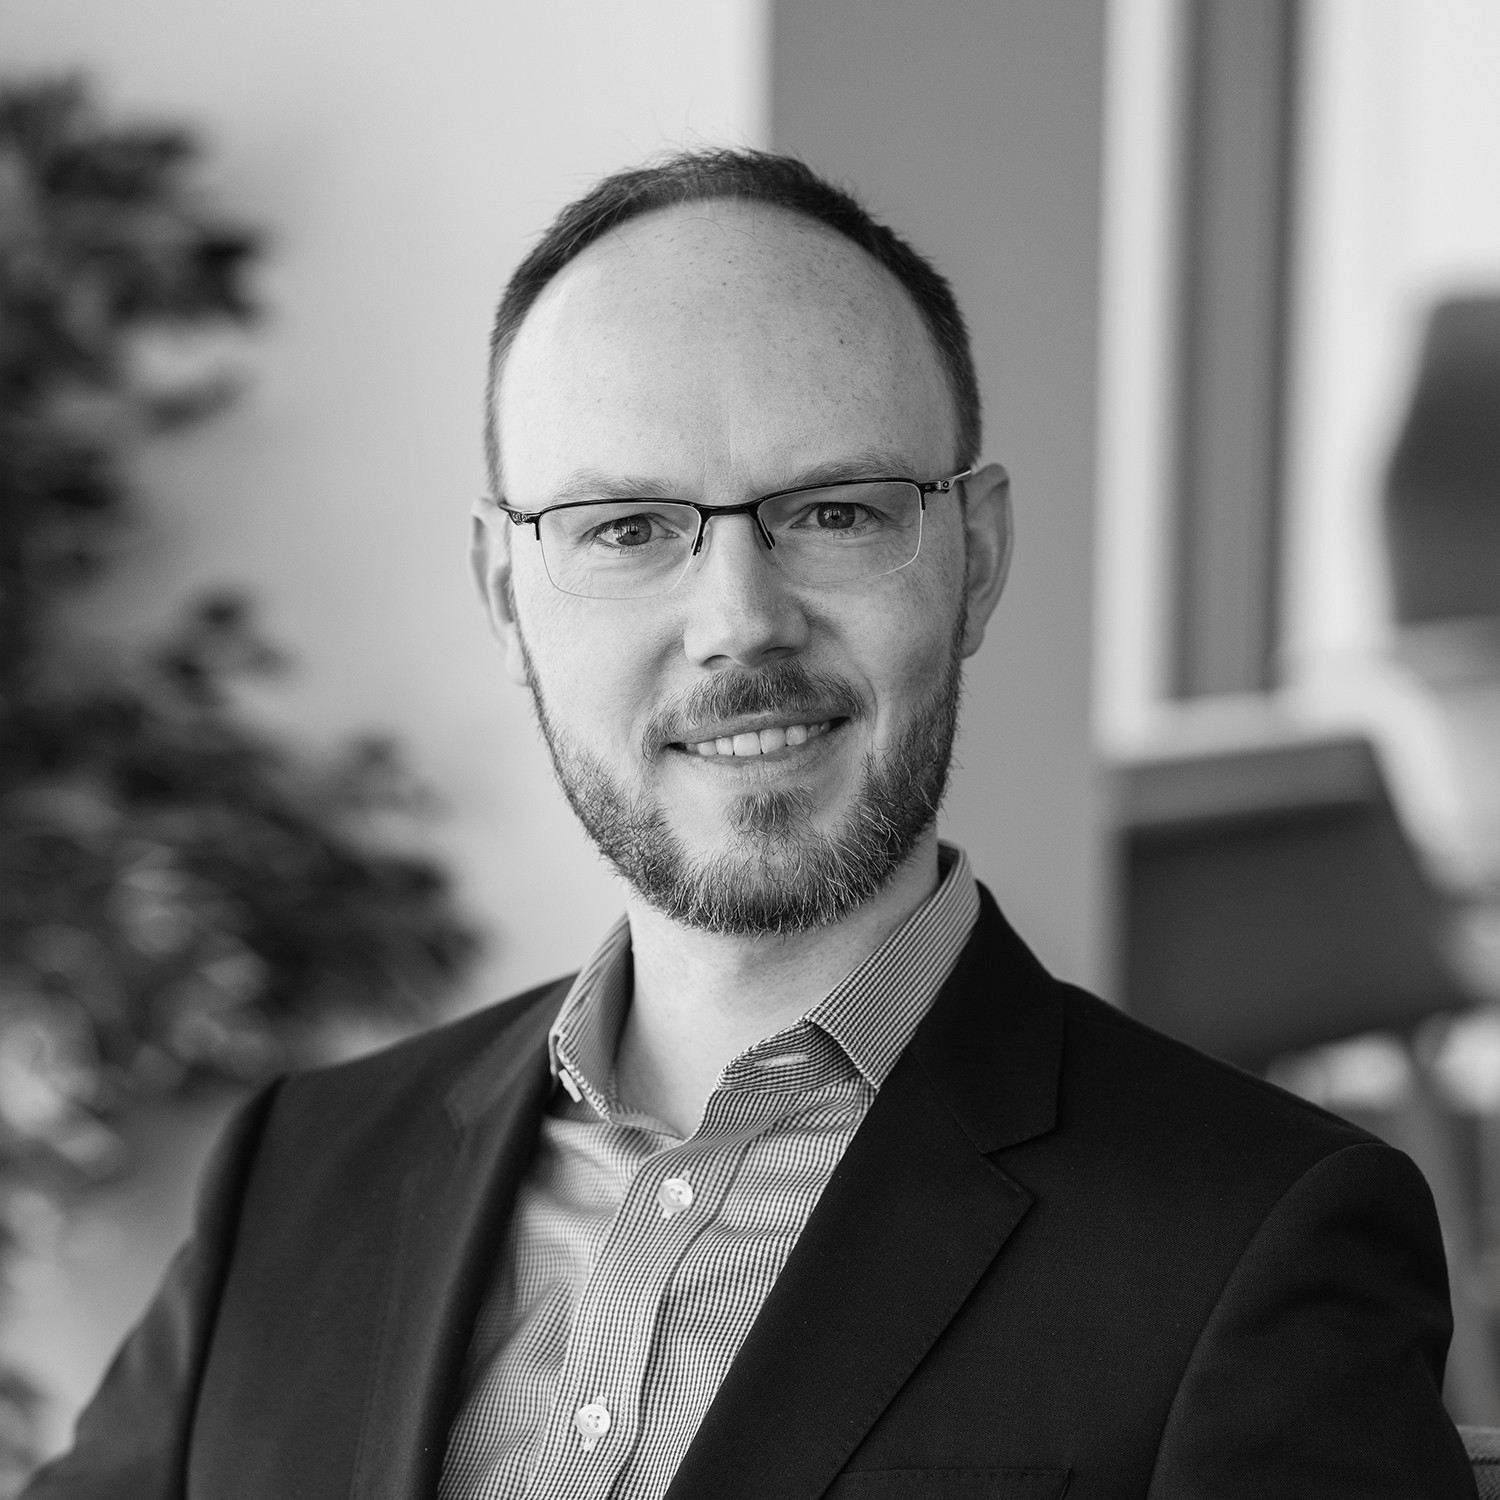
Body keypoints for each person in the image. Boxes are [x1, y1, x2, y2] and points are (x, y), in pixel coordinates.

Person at [25, 150, 1474, 1500]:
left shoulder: (1254, 1242)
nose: (739, 622)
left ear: (976, 559)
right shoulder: (297, 1172)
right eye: (626, 527)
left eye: (835, 511)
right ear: (505, 599)